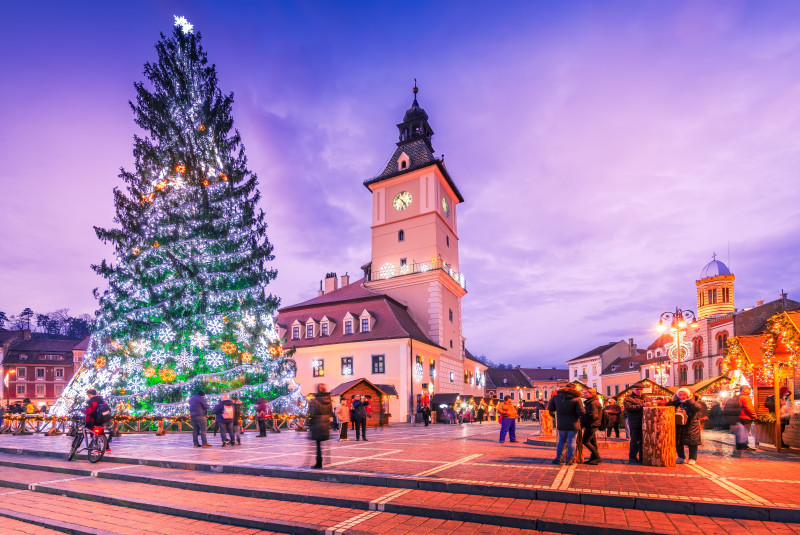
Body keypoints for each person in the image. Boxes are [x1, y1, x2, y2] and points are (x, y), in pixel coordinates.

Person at [548, 383, 585, 465]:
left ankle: (558, 459)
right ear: (574, 389)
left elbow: (550, 408)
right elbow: (581, 412)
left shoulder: (556, 397)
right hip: (574, 423)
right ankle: (569, 460)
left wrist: (555, 415)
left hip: (561, 423)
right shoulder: (577, 399)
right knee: (572, 441)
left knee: (561, 441)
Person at [666, 387, 703, 464]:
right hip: (679, 425)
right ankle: (681, 457)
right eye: (680, 394)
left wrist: (690, 401)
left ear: (688, 395)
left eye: (684, 394)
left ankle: (692, 458)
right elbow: (667, 406)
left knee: (692, 442)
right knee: (679, 442)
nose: (682, 396)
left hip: (691, 425)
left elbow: (697, 408)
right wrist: (672, 400)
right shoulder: (676, 402)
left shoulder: (692, 401)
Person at [308, 384, 333, 469]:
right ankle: (324, 461)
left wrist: (308, 423)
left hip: (317, 424)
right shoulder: (329, 400)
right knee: (323, 444)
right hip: (325, 424)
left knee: (318, 445)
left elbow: (310, 414)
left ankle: (319, 463)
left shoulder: (314, 401)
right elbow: (330, 412)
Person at [623, 384, 646, 464]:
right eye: (637, 389)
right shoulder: (628, 399)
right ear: (633, 389)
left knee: (642, 441)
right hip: (634, 422)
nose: (639, 391)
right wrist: (642, 406)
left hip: (644, 423)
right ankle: (632, 457)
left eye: (640, 389)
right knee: (635, 441)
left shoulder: (645, 398)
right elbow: (629, 408)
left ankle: (642, 457)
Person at [581, 388, 603, 464]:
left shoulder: (593, 403)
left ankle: (597, 457)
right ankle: (593, 458)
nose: (584, 394)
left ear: (592, 394)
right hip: (593, 424)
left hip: (592, 424)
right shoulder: (591, 402)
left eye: (586, 393)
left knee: (585, 441)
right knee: (593, 442)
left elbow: (593, 415)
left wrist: (585, 422)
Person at [734, 385, 756, 452]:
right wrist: (754, 416)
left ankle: (739, 446)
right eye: (748, 389)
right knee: (745, 432)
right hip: (745, 417)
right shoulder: (746, 398)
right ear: (744, 390)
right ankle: (744, 445)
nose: (749, 390)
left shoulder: (736, 397)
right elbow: (749, 408)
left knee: (739, 432)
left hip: (738, 417)